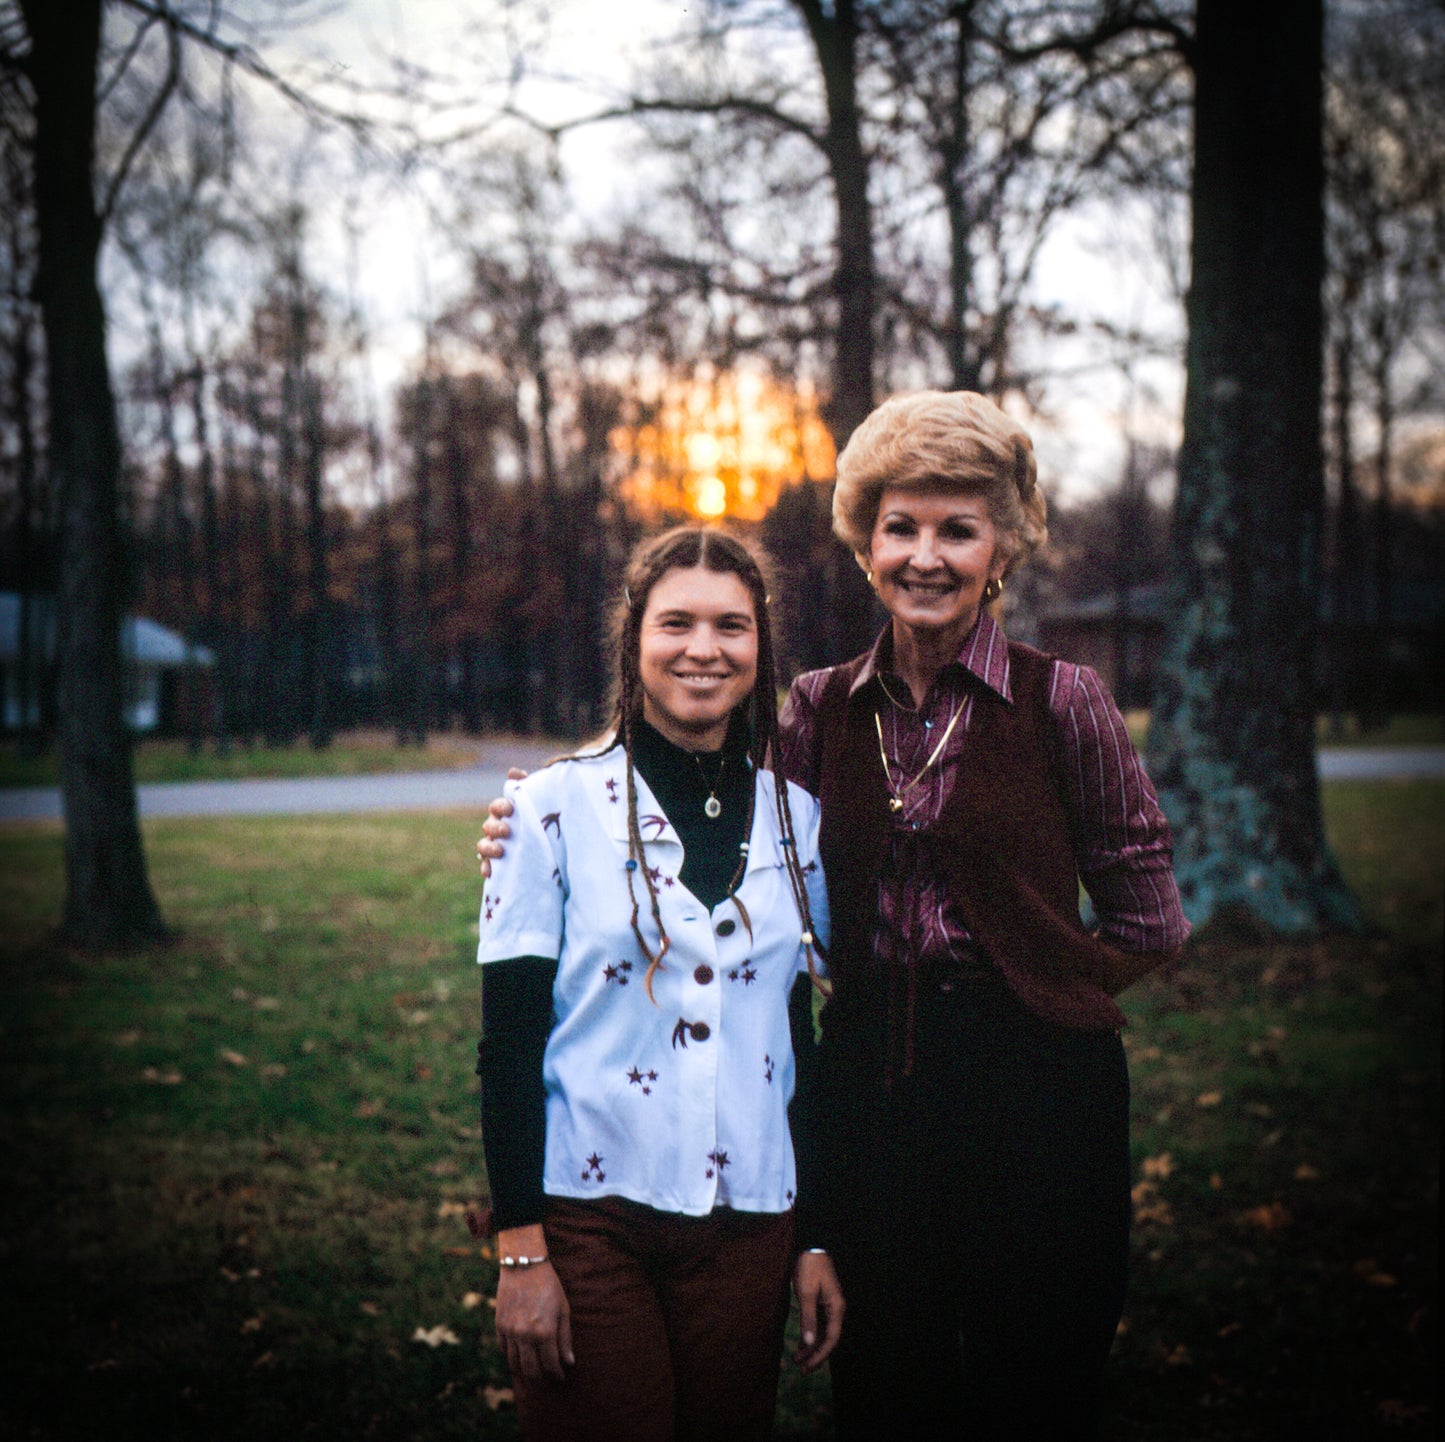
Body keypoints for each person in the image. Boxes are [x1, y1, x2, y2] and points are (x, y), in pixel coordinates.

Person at [482, 391, 1189, 1438]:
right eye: (900, 525)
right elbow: (722, 827)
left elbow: (1150, 918)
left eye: (958, 527)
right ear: (866, 542)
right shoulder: (816, 707)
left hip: (1037, 1087)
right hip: (874, 1087)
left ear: (1002, 546)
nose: (925, 554)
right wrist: (527, 820)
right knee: (886, 1379)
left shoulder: (1062, 699)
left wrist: (1042, 990)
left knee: (1033, 1377)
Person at [474, 526, 841, 1442]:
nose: (704, 650)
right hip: (592, 1221)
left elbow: (799, 1042)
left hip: (750, 1223)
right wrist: (520, 1252)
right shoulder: (546, 810)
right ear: (633, 640)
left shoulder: (797, 821)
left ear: (762, 648)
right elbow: (507, 1044)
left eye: (731, 626)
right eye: (676, 623)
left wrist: (816, 1236)